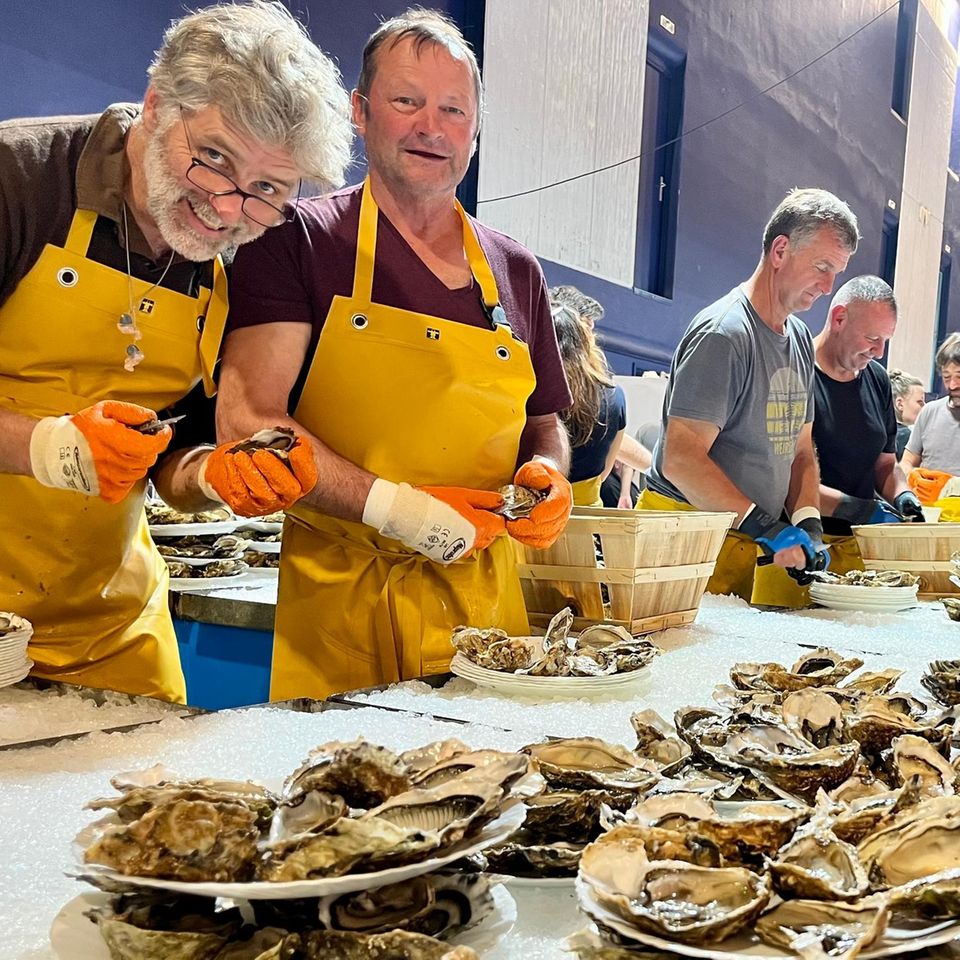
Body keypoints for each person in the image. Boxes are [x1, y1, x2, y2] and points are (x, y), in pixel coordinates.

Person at [217, 9, 574, 700]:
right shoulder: (298, 239)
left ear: (473, 129)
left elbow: (544, 423)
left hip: (485, 616)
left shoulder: (516, 270)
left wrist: (547, 475)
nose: (431, 128)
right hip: (342, 607)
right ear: (360, 111)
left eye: (453, 110)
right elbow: (248, 419)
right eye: (406, 101)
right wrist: (402, 512)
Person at [0, 1, 352, 700]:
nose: (226, 208)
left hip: (108, 628)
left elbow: (171, 456)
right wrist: (49, 447)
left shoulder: (243, 254)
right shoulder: (20, 179)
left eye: (267, 189)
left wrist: (218, 476)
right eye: (213, 157)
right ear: (157, 105)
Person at [639, 188, 859, 607]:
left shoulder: (796, 338)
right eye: (822, 267)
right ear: (780, 251)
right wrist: (764, 525)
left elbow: (800, 451)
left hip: (739, 538)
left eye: (837, 273)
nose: (829, 287)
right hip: (686, 540)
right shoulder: (725, 334)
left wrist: (807, 520)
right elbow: (682, 459)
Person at [812, 276, 923, 569]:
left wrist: (903, 494)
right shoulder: (796, 374)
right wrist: (857, 509)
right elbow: (783, 481)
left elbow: (885, 465)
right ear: (839, 318)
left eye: (885, 341)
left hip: (860, 546)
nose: (880, 352)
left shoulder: (877, 379)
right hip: (804, 544)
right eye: (873, 339)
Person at [551, 301, 625, 506]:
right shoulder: (615, 396)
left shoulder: (533, 392)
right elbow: (604, 473)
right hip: (587, 521)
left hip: (536, 517)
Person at [903, 333, 960, 507]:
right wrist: (911, 477)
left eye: (959, 376)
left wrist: (952, 487)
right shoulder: (929, 412)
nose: (952, 385)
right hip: (928, 517)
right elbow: (907, 461)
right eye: (946, 377)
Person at [889, 368, 925, 460]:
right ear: (900, 404)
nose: (925, 406)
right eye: (920, 402)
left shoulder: (881, 432)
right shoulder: (905, 435)